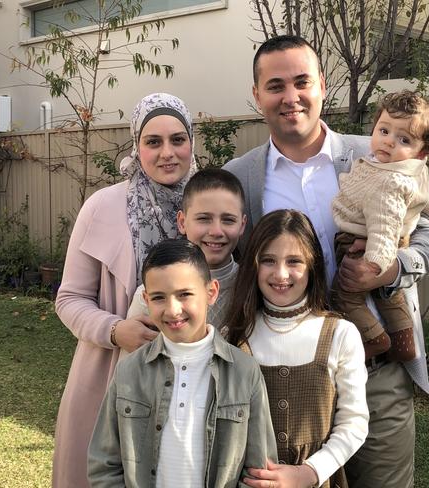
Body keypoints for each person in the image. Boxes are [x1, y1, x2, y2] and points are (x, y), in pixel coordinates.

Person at [224, 35, 429, 487]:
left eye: (302, 81)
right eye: (275, 85)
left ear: (323, 85)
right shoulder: (239, 176)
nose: (291, 97)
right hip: (285, 380)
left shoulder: (381, 152)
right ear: (257, 95)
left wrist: (392, 268)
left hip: (375, 367)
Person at [53, 93, 196, 488]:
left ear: (191, 142)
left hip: (192, 379)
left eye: (177, 139)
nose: (167, 153)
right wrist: (117, 331)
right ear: (137, 146)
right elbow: (69, 299)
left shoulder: (208, 202)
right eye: (153, 142)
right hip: (112, 375)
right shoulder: (103, 206)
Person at [88, 239, 277, 487]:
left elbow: (259, 471)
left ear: (211, 292)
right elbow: (103, 465)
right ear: (145, 298)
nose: (173, 310)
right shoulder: (129, 371)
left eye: (184, 294)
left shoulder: (244, 371)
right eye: (158, 298)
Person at [226, 210, 368, 488]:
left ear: (313, 265)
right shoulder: (234, 336)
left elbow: (354, 423)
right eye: (268, 261)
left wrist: (309, 473)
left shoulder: (340, 334)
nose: (281, 274)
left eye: (294, 261)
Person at [330, 90, 429, 362]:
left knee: (345, 296)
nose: (389, 142)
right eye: (384, 131)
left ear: (421, 152)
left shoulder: (389, 182)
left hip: (362, 245)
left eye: (404, 139)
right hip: (386, 242)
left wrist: (379, 266)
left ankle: (375, 339)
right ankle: (404, 343)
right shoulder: (411, 171)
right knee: (389, 296)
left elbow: (383, 223)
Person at [123, 168, 247, 346]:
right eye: (204, 219)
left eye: (228, 220)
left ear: (242, 225)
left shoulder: (250, 287)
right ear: (182, 222)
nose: (216, 231)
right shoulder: (153, 295)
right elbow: (131, 368)